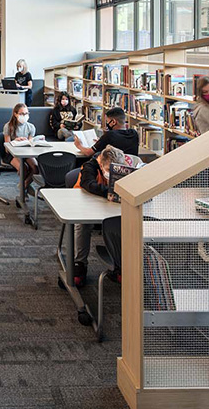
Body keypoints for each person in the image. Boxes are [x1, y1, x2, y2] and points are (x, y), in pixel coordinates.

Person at [73, 145, 142, 286]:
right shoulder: (90, 166)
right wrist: (111, 192)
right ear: (101, 163)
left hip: (112, 208)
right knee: (82, 225)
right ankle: (80, 264)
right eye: (108, 170)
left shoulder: (127, 165)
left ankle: (120, 265)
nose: (111, 173)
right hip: (86, 205)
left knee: (124, 223)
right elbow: (88, 184)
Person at [3, 103, 39, 199]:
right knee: (24, 168)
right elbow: (7, 147)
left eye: (26, 113)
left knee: (35, 167)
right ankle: (24, 191)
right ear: (15, 114)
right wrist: (15, 141)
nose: (25, 116)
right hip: (12, 154)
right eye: (22, 114)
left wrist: (30, 142)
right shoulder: (8, 126)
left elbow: (31, 143)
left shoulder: (31, 127)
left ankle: (24, 185)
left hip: (26, 152)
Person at [75, 106, 140, 157]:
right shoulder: (134, 133)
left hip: (112, 170)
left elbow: (88, 153)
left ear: (114, 122)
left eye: (107, 122)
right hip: (131, 169)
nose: (107, 124)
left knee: (72, 174)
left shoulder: (110, 135)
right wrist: (101, 142)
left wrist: (79, 145)